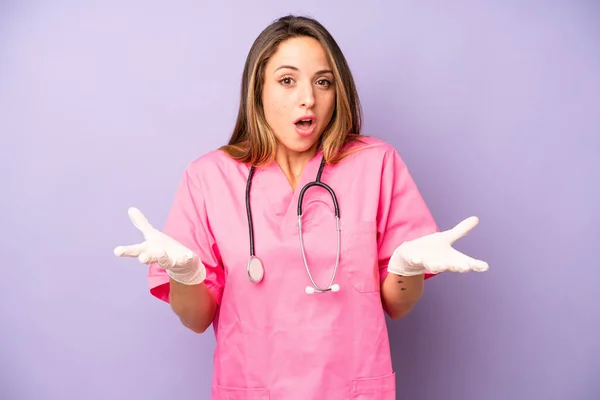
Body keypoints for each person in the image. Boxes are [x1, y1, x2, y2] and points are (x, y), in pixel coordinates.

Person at [114, 14, 489, 400]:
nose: (308, 97)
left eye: (323, 81)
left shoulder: (376, 164)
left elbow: (398, 305)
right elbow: (196, 318)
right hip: (253, 390)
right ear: (257, 89)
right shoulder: (209, 177)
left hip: (351, 389)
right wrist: (186, 274)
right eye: (287, 80)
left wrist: (407, 266)